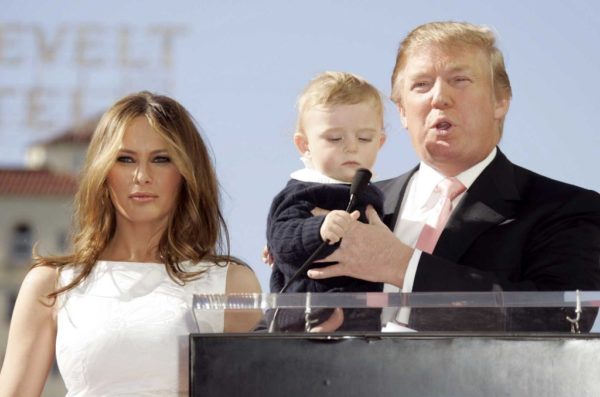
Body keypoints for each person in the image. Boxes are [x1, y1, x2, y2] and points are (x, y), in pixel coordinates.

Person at [304, 22, 600, 332]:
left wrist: (404, 267)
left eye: (459, 80)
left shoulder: (565, 208)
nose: (439, 97)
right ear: (402, 111)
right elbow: (288, 313)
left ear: (501, 102)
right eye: (421, 84)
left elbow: (561, 320)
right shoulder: (350, 204)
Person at [0, 91, 262, 396]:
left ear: (186, 173)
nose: (142, 176)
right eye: (125, 159)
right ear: (103, 171)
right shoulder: (50, 284)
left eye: (161, 159)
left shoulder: (232, 283)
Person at [266, 71, 386, 330]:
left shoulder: (372, 193)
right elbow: (282, 239)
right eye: (335, 138)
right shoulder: (303, 190)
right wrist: (318, 229)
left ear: (381, 141)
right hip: (307, 317)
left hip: (362, 323)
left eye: (364, 138)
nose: (351, 147)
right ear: (304, 145)